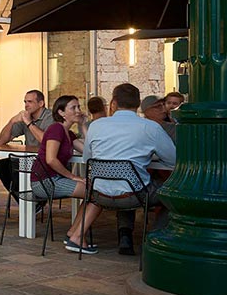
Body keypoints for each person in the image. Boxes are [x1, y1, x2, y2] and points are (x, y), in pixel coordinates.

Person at [71, 83, 176, 256]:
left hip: (99, 195)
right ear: (138, 103)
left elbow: (88, 159)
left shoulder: (96, 126)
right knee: (171, 192)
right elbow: (172, 159)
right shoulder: (149, 127)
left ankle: (125, 235)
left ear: (113, 103)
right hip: (134, 195)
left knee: (127, 183)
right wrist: (147, 155)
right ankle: (154, 239)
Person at [31, 95, 87, 203]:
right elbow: (51, 159)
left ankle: (82, 215)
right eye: (73, 108)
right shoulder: (56, 129)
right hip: (44, 181)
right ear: (61, 113)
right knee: (92, 192)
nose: (78, 111)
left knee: (94, 192)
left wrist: (83, 125)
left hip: (57, 178)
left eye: (79, 107)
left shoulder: (69, 133)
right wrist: (73, 177)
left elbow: (87, 151)